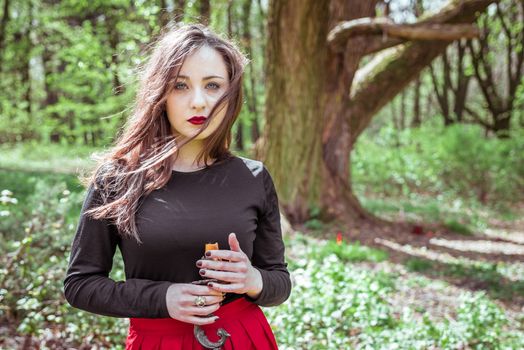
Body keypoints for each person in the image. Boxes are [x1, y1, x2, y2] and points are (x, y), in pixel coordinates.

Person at [63, 23, 291, 350]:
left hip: (241, 337)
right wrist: (163, 297)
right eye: (180, 85)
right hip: (158, 341)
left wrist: (252, 280)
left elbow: (279, 282)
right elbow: (80, 285)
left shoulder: (253, 177)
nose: (198, 102)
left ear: (231, 94)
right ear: (161, 93)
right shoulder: (118, 177)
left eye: (213, 86)